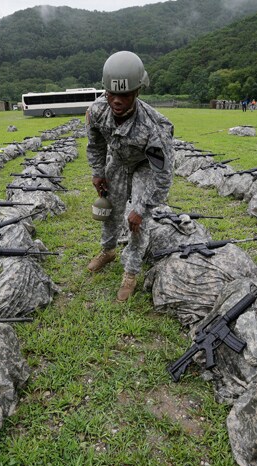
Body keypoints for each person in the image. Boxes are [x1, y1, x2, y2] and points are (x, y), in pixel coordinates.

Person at [86, 51, 175, 302]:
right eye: (111, 94)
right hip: (118, 162)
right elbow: (95, 145)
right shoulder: (97, 111)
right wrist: (97, 172)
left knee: (136, 220)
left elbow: (163, 173)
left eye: (124, 94)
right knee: (110, 210)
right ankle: (108, 251)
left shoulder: (154, 126)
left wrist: (143, 206)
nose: (117, 100)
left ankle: (130, 273)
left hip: (144, 166)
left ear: (137, 91)